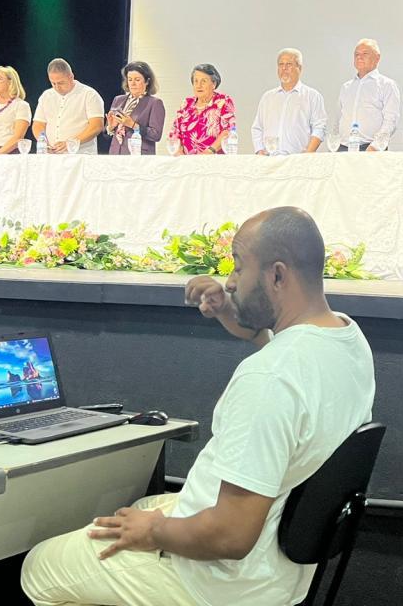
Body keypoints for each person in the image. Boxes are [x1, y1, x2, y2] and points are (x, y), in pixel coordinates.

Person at [20, 207, 376, 606]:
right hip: (280, 570)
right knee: (143, 506)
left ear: (277, 275)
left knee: (39, 568)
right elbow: (280, 352)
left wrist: (153, 532)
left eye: (239, 266)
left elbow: (230, 535)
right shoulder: (344, 337)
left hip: (221, 583)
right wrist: (228, 310)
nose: (230, 281)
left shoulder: (269, 378)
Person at [251, 48, 327, 155]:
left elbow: (319, 128)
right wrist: (259, 151)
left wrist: (308, 153)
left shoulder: (312, 96)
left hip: (298, 159)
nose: (284, 68)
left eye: (289, 64)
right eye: (281, 64)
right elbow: (257, 128)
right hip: (269, 159)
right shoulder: (267, 97)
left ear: (299, 68)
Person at [334, 39, 400, 151]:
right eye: (356, 54)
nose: (359, 57)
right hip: (343, 148)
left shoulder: (387, 85)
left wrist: (376, 146)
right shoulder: (346, 87)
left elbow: (391, 120)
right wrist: (335, 145)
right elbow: (338, 119)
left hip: (371, 149)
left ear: (377, 58)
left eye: (365, 54)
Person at [32, 58, 105, 154]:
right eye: (53, 83)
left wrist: (72, 143)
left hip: (81, 155)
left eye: (61, 83)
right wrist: (43, 142)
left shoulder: (89, 94)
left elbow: (96, 126)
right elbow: (38, 124)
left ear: (71, 77)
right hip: (51, 155)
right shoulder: (46, 96)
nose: (57, 87)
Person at [169, 64, 236, 154]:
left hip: (214, 159)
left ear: (214, 84)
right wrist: (179, 153)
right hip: (187, 160)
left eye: (203, 81)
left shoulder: (223, 101)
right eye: (196, 81)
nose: (198, 85)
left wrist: (209, 152)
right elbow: (175, 133)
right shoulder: (186, 103)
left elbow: (227, 131)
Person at [106, 61, 165, 155]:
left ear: (147, 81)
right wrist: (111, 127)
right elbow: (107, 135)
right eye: (130, 79)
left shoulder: (154, 103)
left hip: (139, 156)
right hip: (115, 154)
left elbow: (156, 135)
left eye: (137, 80)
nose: (132, 84)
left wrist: (133, 125)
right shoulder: (118, 100)